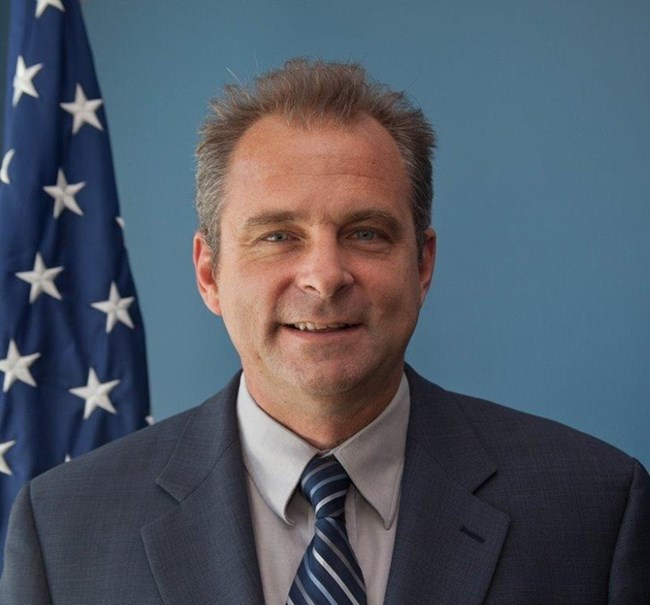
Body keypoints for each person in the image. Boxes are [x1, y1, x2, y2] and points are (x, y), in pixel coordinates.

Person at [1, 58, 648, 605]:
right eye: (279, 235)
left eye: (365, 233)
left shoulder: (593, 510)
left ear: (422, 262)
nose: (325, 275)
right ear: (209, 272)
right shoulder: (64, 529)